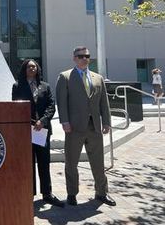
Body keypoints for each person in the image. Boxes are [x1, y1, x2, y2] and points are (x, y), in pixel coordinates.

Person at [55, 46, 116, 206]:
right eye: (81, 56)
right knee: (71, 162)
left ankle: (101, 193)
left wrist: (107, 122)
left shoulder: (98, 78)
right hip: (74, 127)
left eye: (87, 56)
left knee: (98, 162)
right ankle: (72, 193)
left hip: (94, 127)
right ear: (74, 58)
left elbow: (104, 102)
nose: (84, 58)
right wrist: (65, 121)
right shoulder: (66, 76)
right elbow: (61, 102)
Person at [11, 59, 64, 208]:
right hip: (26, 130)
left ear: (38, 69)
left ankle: (47, 193)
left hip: (42, 130)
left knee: (44, 162)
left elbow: (50, 106)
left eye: (34, 66)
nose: (32, 68)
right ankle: (29, 193)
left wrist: (43, 121)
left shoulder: (45, 86)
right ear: (24, 69)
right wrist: (29, 122)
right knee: (28, 163)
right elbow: (15, 106)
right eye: (29, 66)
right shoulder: (17, 86)